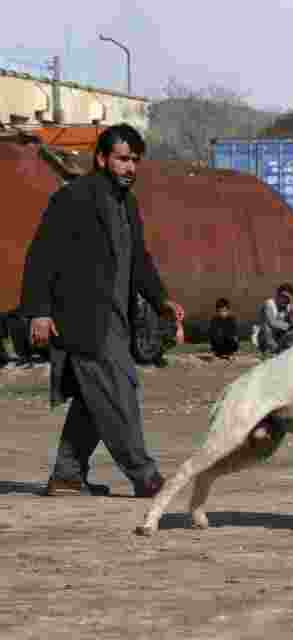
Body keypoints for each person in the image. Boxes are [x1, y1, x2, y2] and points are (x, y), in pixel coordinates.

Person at [19, 123, 185, 498]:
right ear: (102, 158)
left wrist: (161, 300)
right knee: (117, 392)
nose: (131, 168)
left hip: (117, 319)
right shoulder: (74, 198)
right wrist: (39, 313)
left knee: (93, 398)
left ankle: (66, 475)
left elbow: (139, 261)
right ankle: (145, 476)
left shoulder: (127, 204)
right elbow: (41, 257)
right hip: (81, 319)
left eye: (136, 161)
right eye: (123, 159)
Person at [257, 283, 293, 356]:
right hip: (267, 337)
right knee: (266, 327)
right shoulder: (270, 304)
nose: (284, 300)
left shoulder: (289, 307)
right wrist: (288, 326)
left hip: (279, 338)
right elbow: (271, 322)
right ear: (278, 295)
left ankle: (283, 351)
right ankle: (268, 350)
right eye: (283, 296)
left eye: (287, 298)